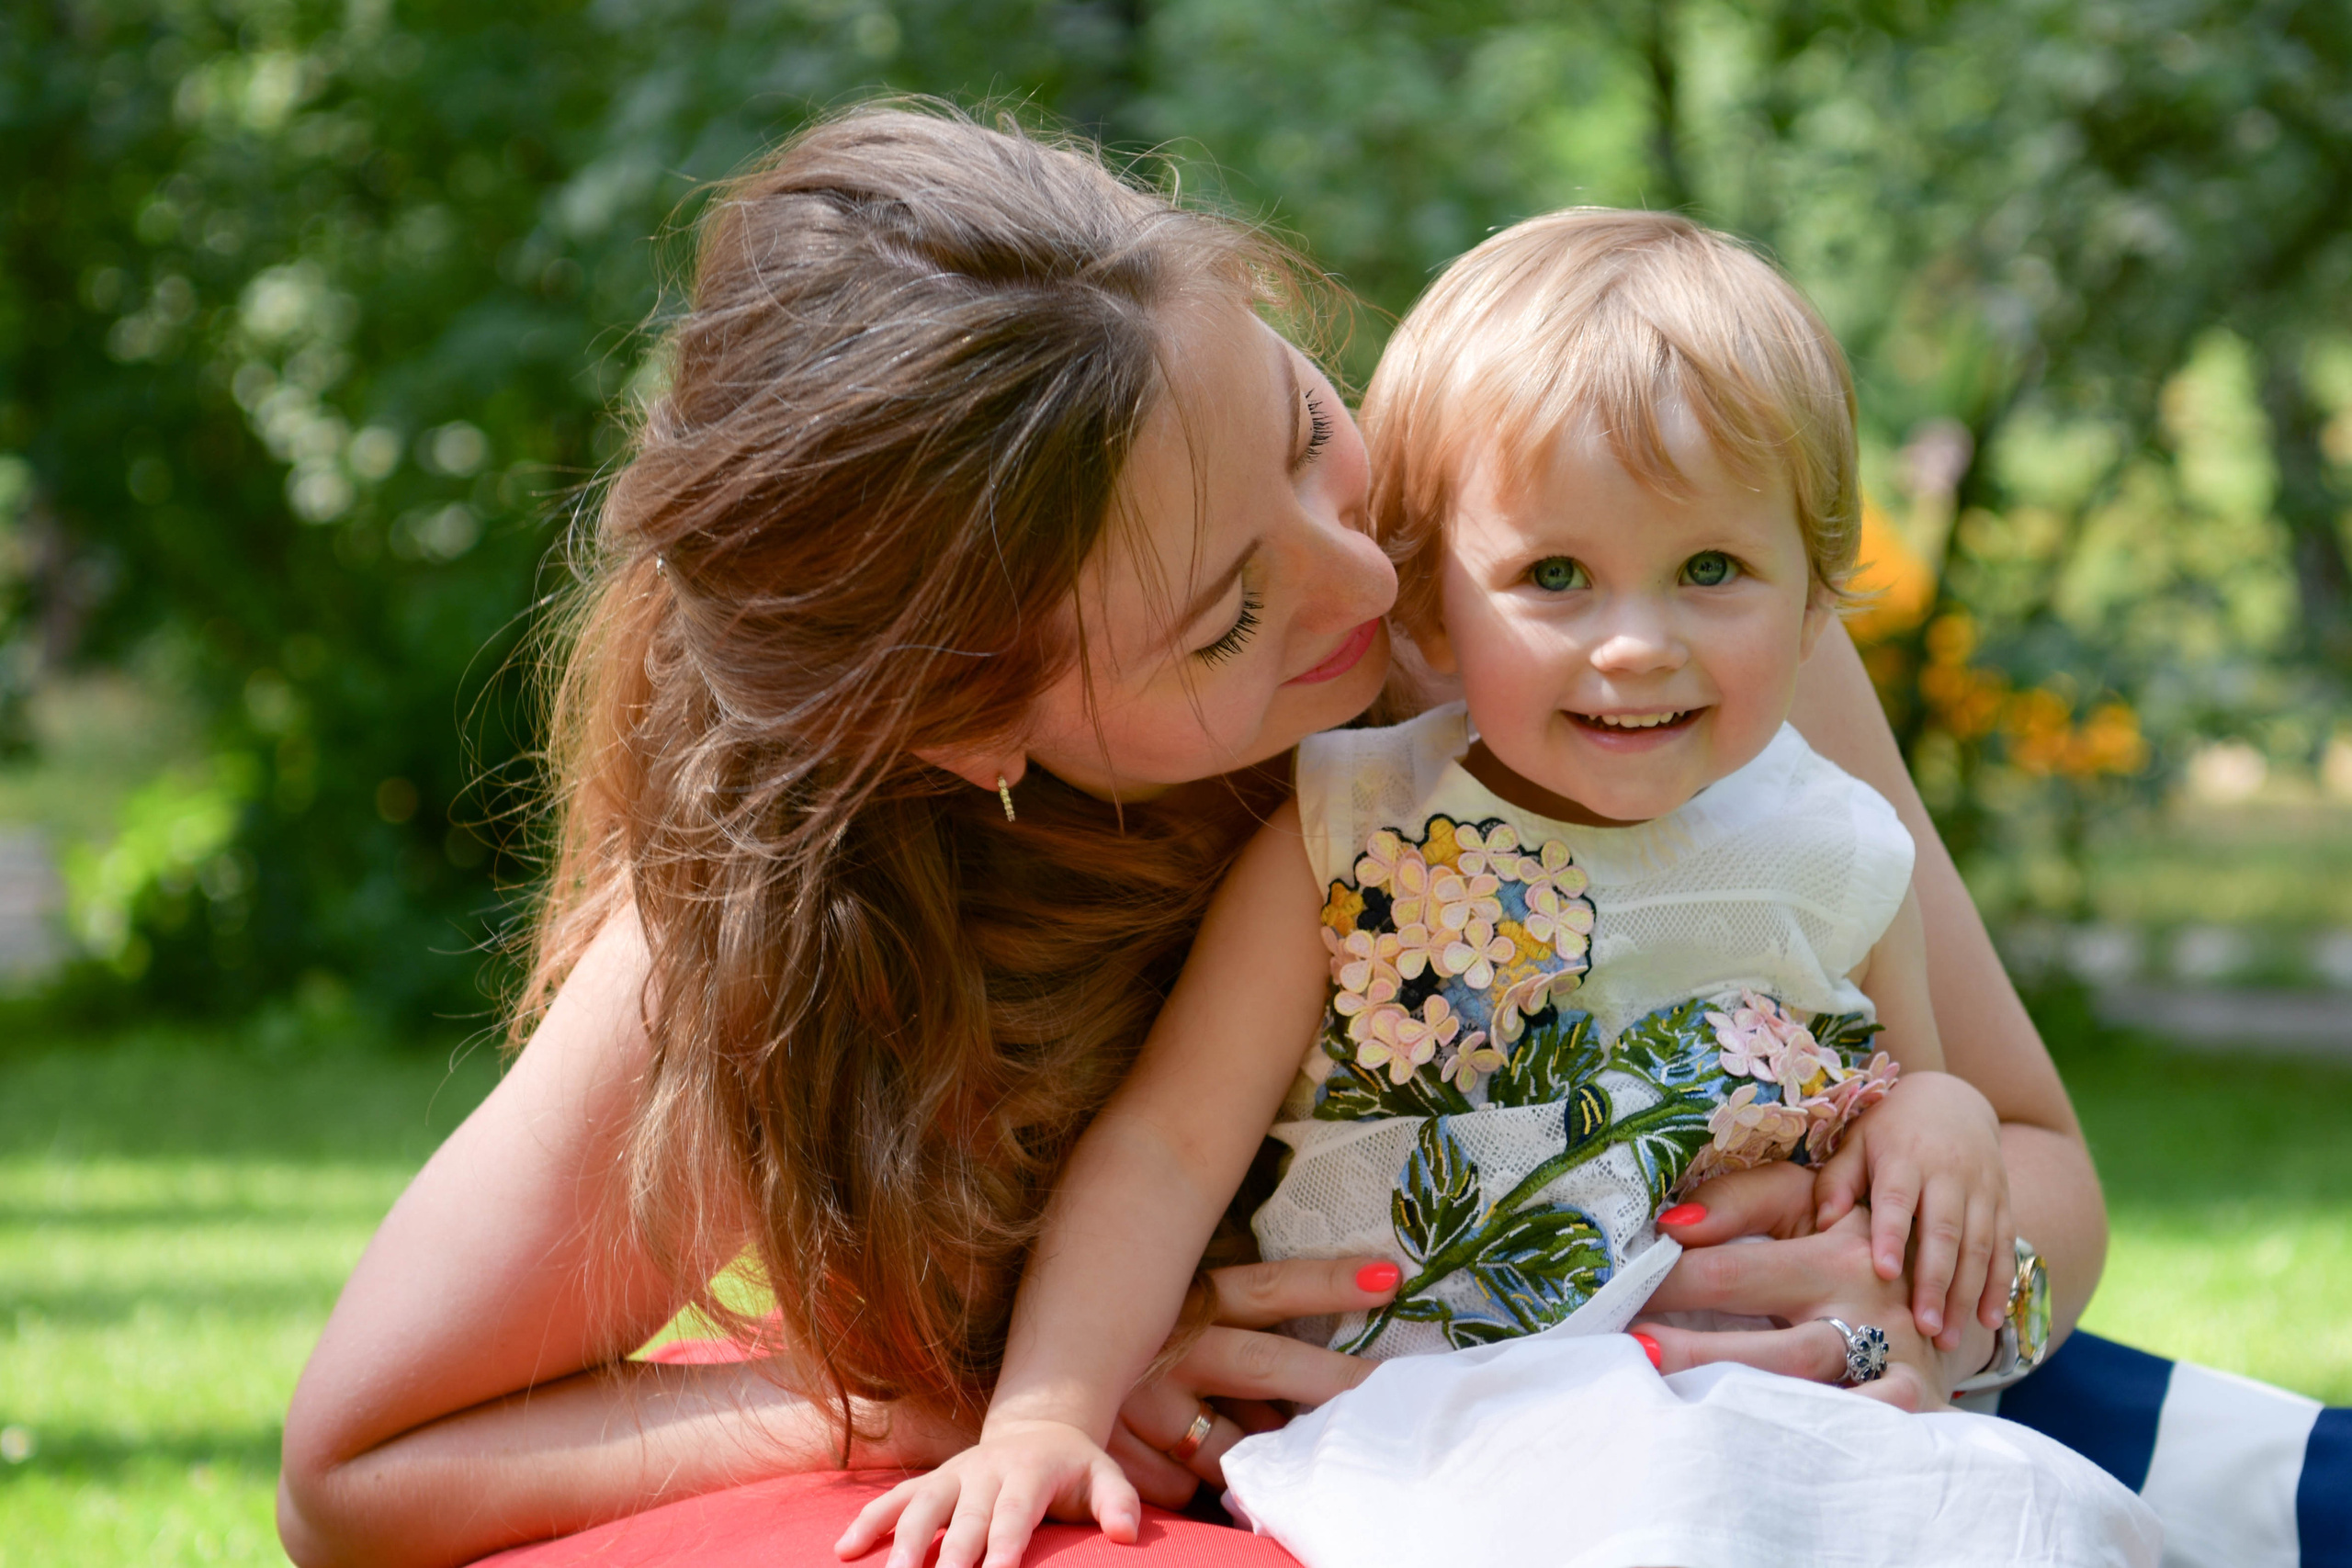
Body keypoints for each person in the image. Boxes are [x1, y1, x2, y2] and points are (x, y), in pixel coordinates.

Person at [274, 102, 2344, 1568]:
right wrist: (986, 1398)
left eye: (1292, 421)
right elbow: (360, 1462)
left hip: (1834, 1430)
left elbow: (2043, 1178)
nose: (1366, 577)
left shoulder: (1602, 568)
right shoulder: (801, 920)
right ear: (974, 724)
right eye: (1225, 612)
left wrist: (1900, 1294)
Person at [835, 208, 2157, 1568]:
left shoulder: (1842, 851)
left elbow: (1913, 1091)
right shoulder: (1351, 830)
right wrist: (1046, 1414)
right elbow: (1169, 1145)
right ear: (1426, 608)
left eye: (1712, 570)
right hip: (1437, 1427)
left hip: (1764, 1413)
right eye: (1554, 577)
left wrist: (1940, 1124)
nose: (1639, 643)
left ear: (1816, 593)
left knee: (2033, 1525)